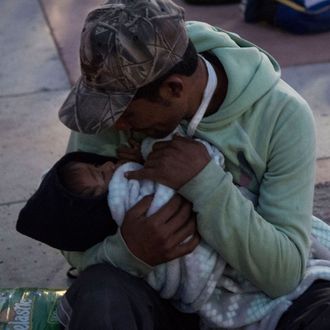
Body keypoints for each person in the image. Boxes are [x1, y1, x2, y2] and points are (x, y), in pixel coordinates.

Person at [53, 0, 330, 328]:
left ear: (173, 89)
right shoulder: (113, 99)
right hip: (155, 292)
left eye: (126, 116)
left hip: (258, 297)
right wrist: (130, 251)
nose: (117, 127)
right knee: (100, 295)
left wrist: (206, 183)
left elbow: (284, 273)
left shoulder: (283, 115)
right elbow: (66, 236)